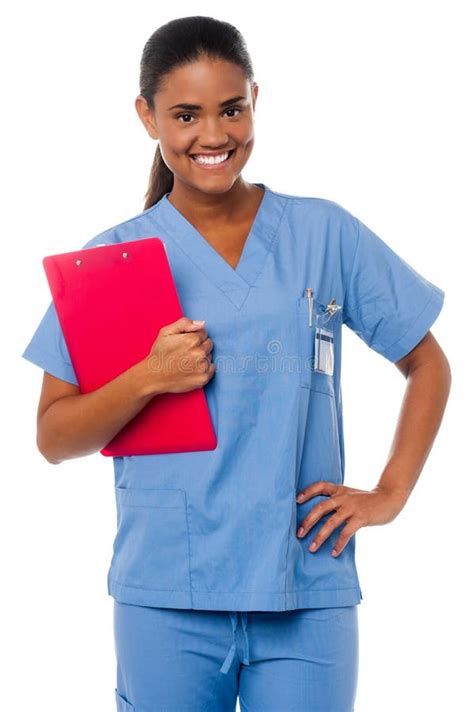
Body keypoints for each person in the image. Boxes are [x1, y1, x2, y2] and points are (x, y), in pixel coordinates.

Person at [21, 15, 451, 712]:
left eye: (232, 109)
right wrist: (148, 377)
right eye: (186, 115)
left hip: (305, 585)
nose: (214, 136)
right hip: (168, 592)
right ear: (147, 117)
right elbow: (53, 437)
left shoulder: (322, 233)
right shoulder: (115, 261)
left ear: (256, 98)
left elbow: (427, 361)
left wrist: (389, 494)